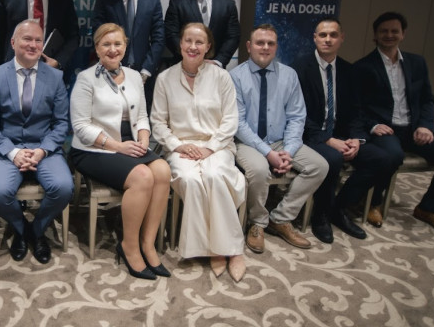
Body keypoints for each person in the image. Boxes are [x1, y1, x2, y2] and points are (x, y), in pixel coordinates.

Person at [354, 12, 434, 237]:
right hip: (385, 129)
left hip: (415, 129)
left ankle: (428, 208)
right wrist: (373, 125)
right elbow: (356, 107)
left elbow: (427, 99)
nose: (389, 35)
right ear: (375, 35)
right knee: (391, 155)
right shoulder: (362, 67)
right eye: (384, 31)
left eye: (394, 31)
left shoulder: (417, 63)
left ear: (403, 34)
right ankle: (373, 202)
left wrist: (426, 125)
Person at [69, 23, 171, 280]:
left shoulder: (135, 76)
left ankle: (148, 243)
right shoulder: (86, 79)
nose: (112, 49)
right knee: (143, 177)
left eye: (117, 44)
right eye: (106, 44)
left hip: (130, 142)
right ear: (97, 48)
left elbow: (142, 116)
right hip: (93, 149)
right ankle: (129, 245)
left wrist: (144, 139)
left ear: (125, 46)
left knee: (162, 170)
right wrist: (117, 146)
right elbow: (80, 127)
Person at [150, 23, 246, 281]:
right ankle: (211, 248)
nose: (193, 47)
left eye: (199, 42)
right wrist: (178, 145)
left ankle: (231, 250)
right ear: (180, 44)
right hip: (180, 146)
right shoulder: (165, 79)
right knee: (191, 179)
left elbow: (231, 120)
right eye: (188, 41)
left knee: (215, 176)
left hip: (217, 145)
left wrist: (209, 148)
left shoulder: (221, 77)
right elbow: (157, 122)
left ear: (208, 47)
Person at [293, 18, 400, 243]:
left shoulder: (349, 70)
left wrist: (356, 139)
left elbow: (356, 112)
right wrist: (328, 140)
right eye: (323, 35)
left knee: (382, 158)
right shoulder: (299, 69)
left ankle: (339, 208)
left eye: (333, 35)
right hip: (310, 135)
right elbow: (297, 115)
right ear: (314, 38)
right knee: (333, 158)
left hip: (342, 135)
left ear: (342, 38)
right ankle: (321, 215)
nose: (328, 39)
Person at [0, 19, 73, 264]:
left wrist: (42, 150)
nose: (33, 45)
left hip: (44, 148)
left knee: (64, 187)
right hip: (7, 149)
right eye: (27, 39)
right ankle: (21, 227)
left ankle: (37, 229)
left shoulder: (55, 77)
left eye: (38, 40)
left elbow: (61, 123)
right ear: (13, 43)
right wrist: (13, 153)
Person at [230, 24, 328, 253]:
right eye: (260, 43)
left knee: (319, 166)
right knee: (259, 169)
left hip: (281, 140)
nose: (265, 47)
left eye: (270, 43)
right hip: (247, 141)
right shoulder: (235, 76)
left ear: (276, 47)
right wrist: (268, 154)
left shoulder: (289, 75)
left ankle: (280, 218)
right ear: (249, 46)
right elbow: (238, 123)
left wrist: (289, 151)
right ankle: (257, 222)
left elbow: (297, 116)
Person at [91, 0, 165, 107]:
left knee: (142, 120)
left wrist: (146, 70)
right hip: (110, 75)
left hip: (144, 78)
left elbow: (159, 39)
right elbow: (98, 36)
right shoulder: (105, 0)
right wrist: (112, 67)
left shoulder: (153, 1)